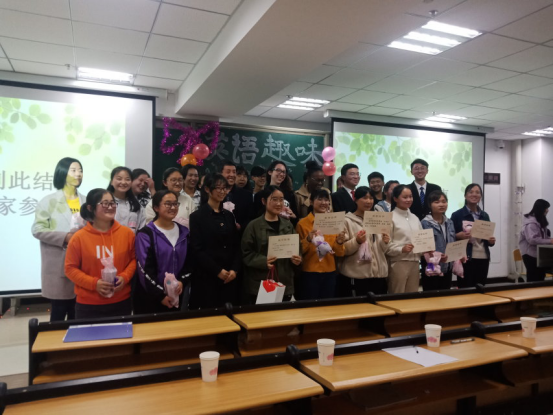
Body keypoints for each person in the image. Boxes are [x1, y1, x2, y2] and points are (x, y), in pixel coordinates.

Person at [65, 188, 136, 319]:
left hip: (121, 301)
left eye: (112, 203)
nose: (110, 207)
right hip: (88, 304)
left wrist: (125, 277)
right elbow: (70, 268)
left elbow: (133, 260)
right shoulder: (79, 238)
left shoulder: (127, 234)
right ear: (90, 208)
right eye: (105, 203)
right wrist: (94, 284)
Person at [32, 157, 85, 321]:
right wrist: (65, 237)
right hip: (58, 264)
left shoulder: (86, 201)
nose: (78, 174)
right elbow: (38, 229)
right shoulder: (48, 201)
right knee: (59, 313)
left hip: (83, 265)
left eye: (80, 170)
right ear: (62, 173)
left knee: (79, 313)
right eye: (73, 170)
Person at [189, 174, 242, 308]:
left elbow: (236, 245)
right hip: (207, 276)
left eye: (224, 188)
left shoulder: (229, 216)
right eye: (218, 188)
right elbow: (197, 249)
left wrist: (234, 270)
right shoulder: (196, 217)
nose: (222, 191)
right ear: (207, 189)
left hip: (229, 276)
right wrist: (218, 270)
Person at [242, 186, 302, 303]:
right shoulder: (253, 226)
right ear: (264, 201)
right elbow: (246, 253)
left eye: (281, 200)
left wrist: (298, 259)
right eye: (274, 199)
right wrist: (263, 261)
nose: (278, 203)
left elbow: (297, 248)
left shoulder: (288, 225)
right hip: (261, 284)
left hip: (285, 284)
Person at [134, 190, 189, 314]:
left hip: (176, 293)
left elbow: (189, 262)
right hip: (151, 298)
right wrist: (160, 295)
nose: (173, 207)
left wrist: (182, 281)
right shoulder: (146, 234)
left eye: (175, 204)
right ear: (156, 208)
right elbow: (144, 270)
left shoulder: (184, 232)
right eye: (168, 204)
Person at [338, 187, 390, 296]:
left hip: (379, 275)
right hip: (358, 276)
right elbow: (343, 250)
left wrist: (385, 242)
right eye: (364, 198)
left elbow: (383, 250)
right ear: (355, 199)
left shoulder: (378, 220)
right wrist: (357, 241)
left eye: (371, 198)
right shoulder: (347, 221)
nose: (368, 201)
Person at [296, 189, 345, 299]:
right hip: (309, 272)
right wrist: (308, 239)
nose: (324, 203)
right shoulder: (302, 224)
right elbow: (298, 251)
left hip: (330, 272)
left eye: (326, 200)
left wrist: (339, 242)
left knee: (327, 306)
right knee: (310, 305)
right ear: (311, 201)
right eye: (320, 199)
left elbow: (339, 253)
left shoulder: (334, 223)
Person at [451, 183, 496, 288]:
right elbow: (450, 237)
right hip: (466, 258)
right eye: (471, 192)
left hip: (483, 256)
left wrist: (491, 241)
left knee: (480, 287)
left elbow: (487, 238)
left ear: (480, 196)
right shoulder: (457, 215)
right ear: (465, 195)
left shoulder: (484, 215)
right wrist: (458, 236)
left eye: (477, 192)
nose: (474, 194)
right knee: (466, 288)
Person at [386, 185, 423, 293]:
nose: (409, 200)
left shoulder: (415, 218)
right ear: (395, 198)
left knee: (412, 295)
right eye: (405, 197)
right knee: (397, 295)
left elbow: (422, 239)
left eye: (410, 196)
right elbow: (385, 244)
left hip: (415, 262)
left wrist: (426, 249)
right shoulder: (390, 217)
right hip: (398, 262)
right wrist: (401, 249)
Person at [421, 191, 456, 291]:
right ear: (430, 205)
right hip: (431, 265)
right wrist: (438, 257)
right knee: (431, 295)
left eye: (444, 201)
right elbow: (423, 248)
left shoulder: (450, 222)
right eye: (437, 202)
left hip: (447, 266)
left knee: (445, 295)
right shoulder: (424, 223)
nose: (441, 204)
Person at [519, 199, 553, 282]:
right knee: (533, 279)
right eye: (546, 208)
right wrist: (550, 241)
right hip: (530, 255)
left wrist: (550, 240)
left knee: (540, 277)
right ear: (541, 208)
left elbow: (543, 237)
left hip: (538, 254)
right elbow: (532, 239)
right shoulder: (531, 223)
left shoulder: (539, 220)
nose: (547, 210)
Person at [107, 167, 146, 233]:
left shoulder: (136, 205)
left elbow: (141, 229)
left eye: (127, 179)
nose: (123, 182)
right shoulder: (103, 204)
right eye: (119, 179)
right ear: (111, 182)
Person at [220, 160, 253, 231]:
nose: (232, 175)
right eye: (228, 172)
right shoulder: (214, 193)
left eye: (234, 172)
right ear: (220, 174)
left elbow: (251, 218)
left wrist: (241, 226)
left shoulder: (247, 195)